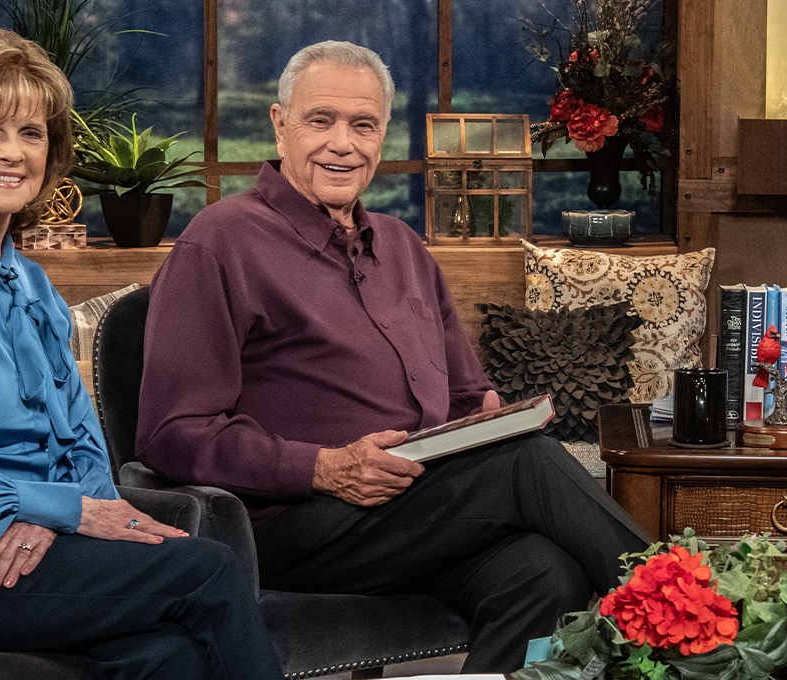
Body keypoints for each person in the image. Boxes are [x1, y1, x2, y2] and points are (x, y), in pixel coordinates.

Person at [133, 40, 650, 672]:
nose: (342, 143)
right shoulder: (219, 241)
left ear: (381, 137)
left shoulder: (404, 247)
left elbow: (467, 394)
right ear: (280, 124)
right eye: (320, 121)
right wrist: (323, 467)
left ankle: (687, 611)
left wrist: (485, 419)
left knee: (546, 575)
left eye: (363, 125)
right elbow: (170, 435)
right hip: (292, 522)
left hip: (415, 509)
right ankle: (700, 618)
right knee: (527, 463)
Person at [0, 20, 283, 679]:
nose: (11, 152)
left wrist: (64, 518)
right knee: (204, 570)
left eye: (29, 133)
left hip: (13, 541)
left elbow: (83, 443)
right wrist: (59, 509)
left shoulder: (30, 282)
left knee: (168, 653)